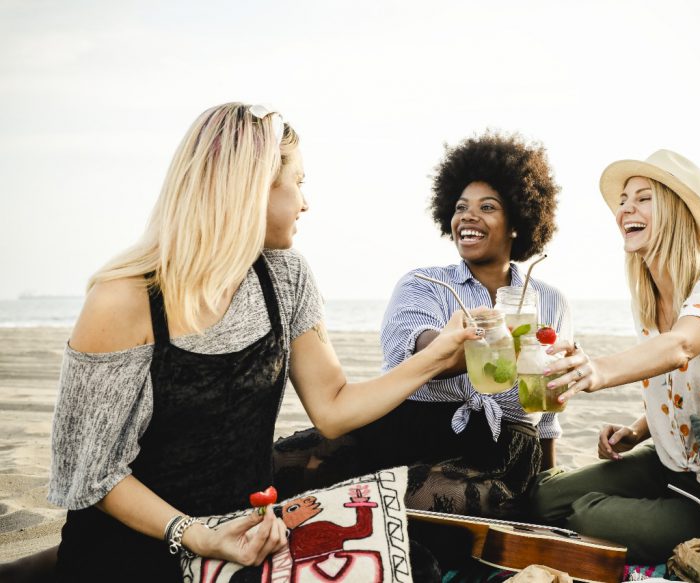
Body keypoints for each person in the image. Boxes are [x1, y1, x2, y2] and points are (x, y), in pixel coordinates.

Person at [29, 102, 478, 582]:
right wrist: (194, 533)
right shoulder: (122, 299)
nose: (306, 203)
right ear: (252, 188)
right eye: (299, 182)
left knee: (414, 557)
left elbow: (333, 407)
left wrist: (434, 359)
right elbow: (91, 476)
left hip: (248, 538)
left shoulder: (285, 277)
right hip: (142, 546)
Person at [274, 132, 570, 519]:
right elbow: (421, 349)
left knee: (410, 499)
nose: (468, 216)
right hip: (408, 427)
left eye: (488, 207)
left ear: (518, 219)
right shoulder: (423, 283)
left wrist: (548, 489)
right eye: (461, 207)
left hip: (501, 448)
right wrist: (468, 344)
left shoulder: (549, 301)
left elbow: (546, 414)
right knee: (280, 467)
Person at [530, 150, 700, 564]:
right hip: (669, 464)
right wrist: (637, 430)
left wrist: (597, 370)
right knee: (545, 498)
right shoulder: (647, 299)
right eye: (624, 200)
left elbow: (680, 347)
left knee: (582, 517)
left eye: (644, 198)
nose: (625, 208)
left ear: (676, 212)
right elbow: (686, 389)